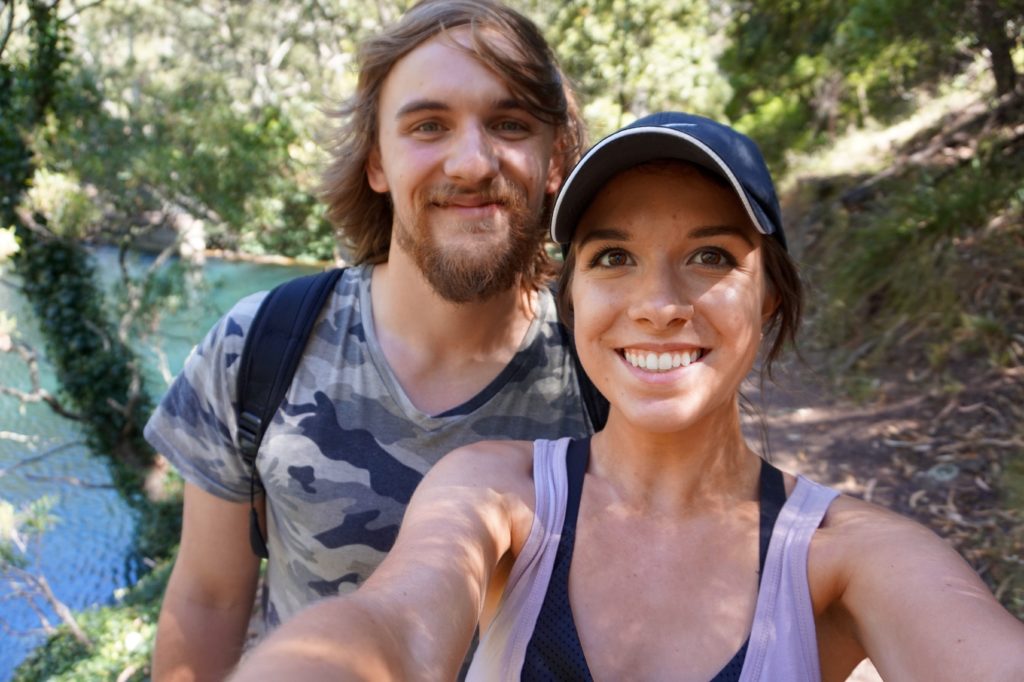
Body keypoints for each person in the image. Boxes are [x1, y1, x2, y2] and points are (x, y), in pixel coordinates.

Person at [229, 111, 1024, 682]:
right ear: (571, 297)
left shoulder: (847, 554)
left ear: (770, 299)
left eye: (710, 255)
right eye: (614, 258)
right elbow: (394, 628)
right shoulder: (495, 495)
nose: (659, 302)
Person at [143, 1, 597, 679]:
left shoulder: (611, 372)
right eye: (428, 125)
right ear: (376, 161)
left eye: (510, 124)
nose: (472, 162)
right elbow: (208, 599)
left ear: (554, 158)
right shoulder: (259, 348)